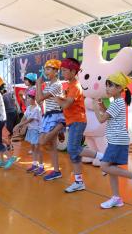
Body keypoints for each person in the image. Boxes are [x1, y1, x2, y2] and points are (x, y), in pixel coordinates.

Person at [91, 71, 132, 209]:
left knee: (105, 166)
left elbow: (101, 120)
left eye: (110, 85)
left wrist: (94, 107)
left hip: (117, 139)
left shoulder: (117, 103)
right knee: (111, 169)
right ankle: (116, 198)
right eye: (107, 85)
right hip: (116, 139)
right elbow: (110, 116)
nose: (107, 88)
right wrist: (103, 108)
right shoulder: (116, 102)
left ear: (119, 88)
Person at [53, 58, 87, 193]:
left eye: (65, 70)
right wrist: (60, 97)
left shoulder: (75, 86)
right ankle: (79, 182)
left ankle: (101, 157)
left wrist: (56, 99)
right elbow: (67, 101)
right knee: (74, 154)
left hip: (77, 120)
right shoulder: (70, 85)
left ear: (73, 71)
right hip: (73, 121)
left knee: (73, 149)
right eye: (62, 71)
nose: (63, 73)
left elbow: (66, 104)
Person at [35, 59, 65, 180]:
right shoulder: (48, 85)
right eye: (45, 69)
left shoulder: (57, 85)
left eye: (48, 69)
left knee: (42, 142)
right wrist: (39, 86)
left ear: (56, 71)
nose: (45, 71)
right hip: (48, 115)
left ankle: (60, 126)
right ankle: (57, 171)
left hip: (56, 115)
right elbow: (38, 100)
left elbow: (40, 97)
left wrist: (38, 84)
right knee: (51, 146)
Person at [20, 89, 42, 173]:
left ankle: (41, 166)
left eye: (29, 98)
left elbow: (30, 120)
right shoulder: (29, 107)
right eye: (27, 98)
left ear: (34, 98)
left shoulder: (37, 109)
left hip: (37, 130)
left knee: (38, 148)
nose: (27, 100)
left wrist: (20, 125)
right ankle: (34, 164)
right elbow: (24, 117)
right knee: (32, 148)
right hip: (31, 130)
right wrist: (20, 124)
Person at [0, 84, 18, 151]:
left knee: (8, 131)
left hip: (9, 113)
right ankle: (10, 144)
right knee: (10, 130)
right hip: (14, 112)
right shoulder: (10, 95)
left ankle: (9, 145)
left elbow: (2, 107)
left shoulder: (3, 96)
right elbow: (15, 104)